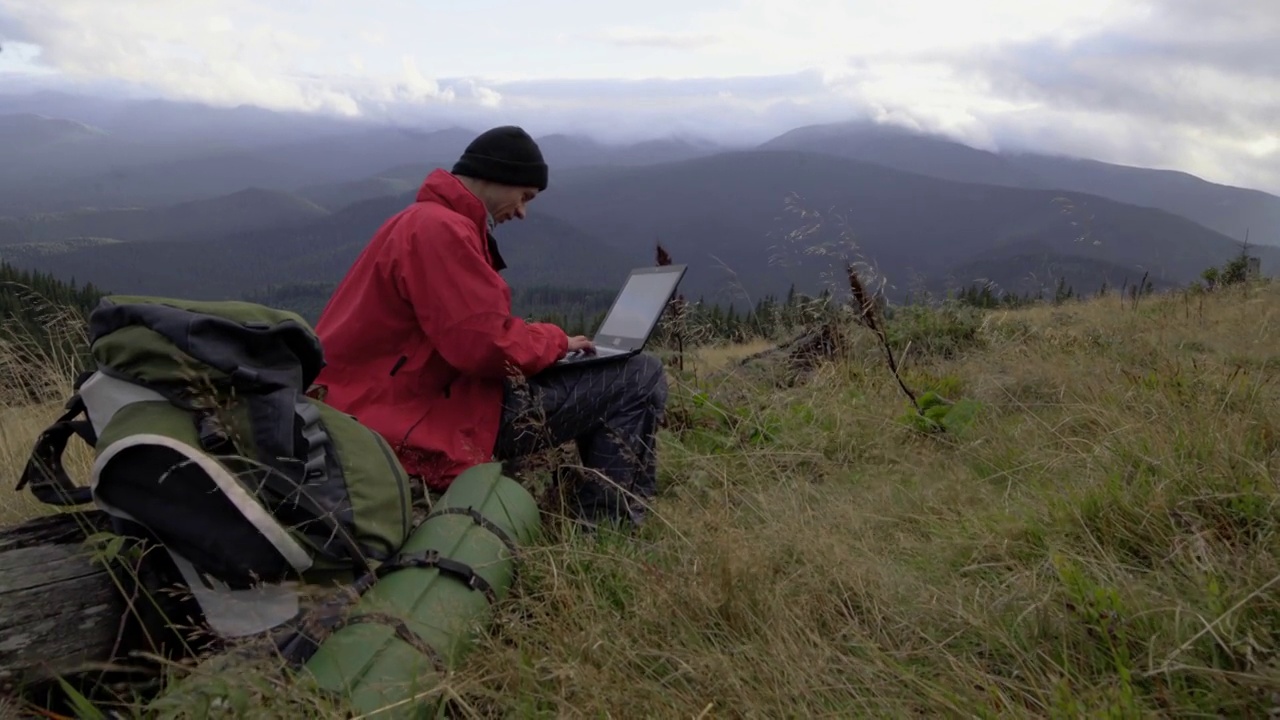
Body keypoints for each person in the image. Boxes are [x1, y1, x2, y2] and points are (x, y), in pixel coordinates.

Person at [310, 125, 668, 528]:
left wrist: (544, 342)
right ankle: (609, 526)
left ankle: (599, 508)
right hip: (416, 417)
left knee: (611, 374)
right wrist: (553, 340)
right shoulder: (441, 231)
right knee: (638, 376)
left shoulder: (420, 221)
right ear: (498, 176)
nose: (522, 211)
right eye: (524, 196)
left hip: (388, 402)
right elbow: (485, 346)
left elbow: (466, 328)